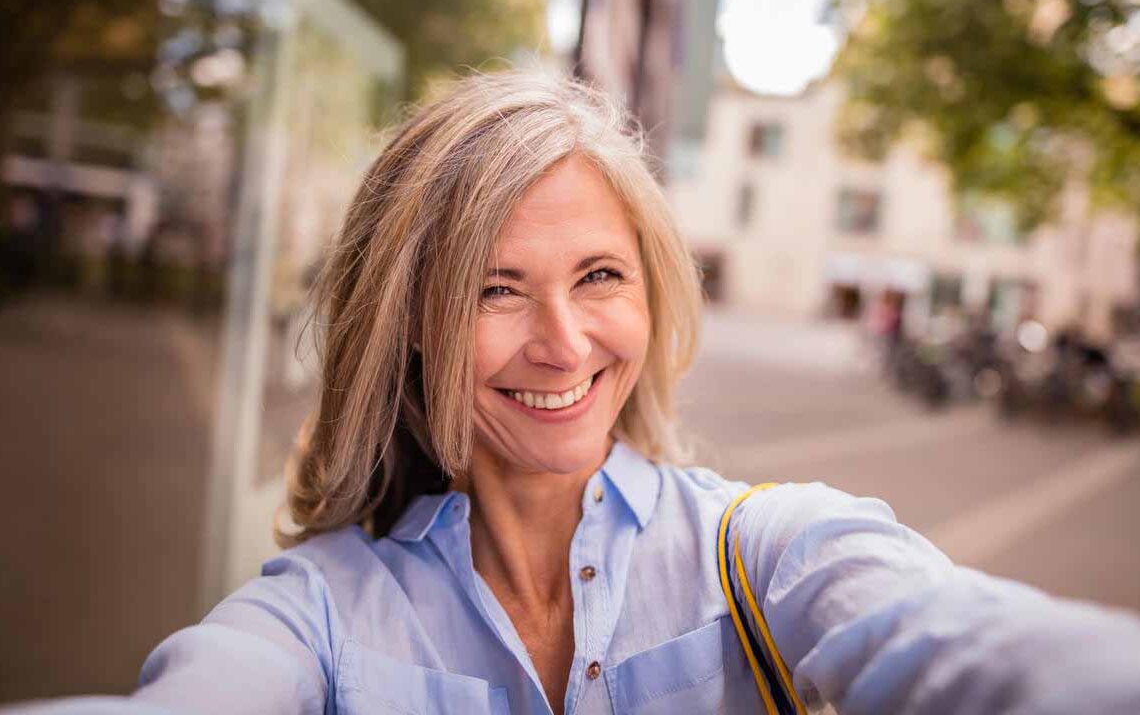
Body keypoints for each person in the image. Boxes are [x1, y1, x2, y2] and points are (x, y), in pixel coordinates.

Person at [16, 71, 1140, 715]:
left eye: (598, 276)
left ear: (649, 294)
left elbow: (973, 648)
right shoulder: (318, 614)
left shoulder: (765, 550)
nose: (563, 344)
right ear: (408, 327)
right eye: (494, 289)